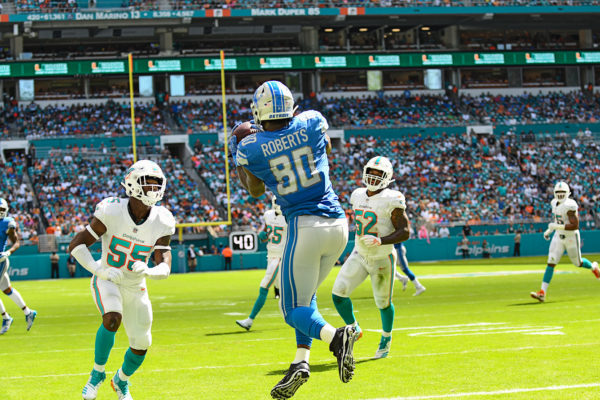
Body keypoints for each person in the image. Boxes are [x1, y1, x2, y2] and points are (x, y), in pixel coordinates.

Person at [232, 80, 358, 399]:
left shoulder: (251, 147)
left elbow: (256, 190)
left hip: (304, 226)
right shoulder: (313, 121)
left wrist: (237, 159)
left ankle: (336, 337)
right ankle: (300, 362)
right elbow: (325, 149)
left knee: (290, 310)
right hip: (338, 224)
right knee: (307, 296)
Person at [68, 160, 176, 400]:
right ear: (132, 182)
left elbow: (165, 263)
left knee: (142, 344)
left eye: (158, 183)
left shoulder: (163, 219)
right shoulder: (112, 210)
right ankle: (96, 375)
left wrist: (151, 270)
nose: (154, 188)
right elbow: (76, 245)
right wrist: (99, 270)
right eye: (149, 182)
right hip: (109, 278)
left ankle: (121, 381)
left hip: (135, 284)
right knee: (113, 317)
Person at [332, 156, 409, 359]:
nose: (373, 177)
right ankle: (354, 328)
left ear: (387, 177)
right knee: (338, 294)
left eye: (379, 174)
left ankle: (386, 337)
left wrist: (382, 241)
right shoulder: (357, 194)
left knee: (383, 303)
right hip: (359, 253)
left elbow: (405, 231)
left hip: (382, 257)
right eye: (371, 173)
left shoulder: (392, 198)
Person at [531, 182, 599, 302]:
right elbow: (558, 221)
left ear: (568, 193)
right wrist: (549, 230)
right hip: (558, 236)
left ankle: (594, 267)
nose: (560, 195)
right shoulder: (554, 203)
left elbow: (575, 225)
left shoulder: (570, 205)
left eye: (562, 193)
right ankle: (542, 292)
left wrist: (555, 227)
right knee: (551, 262)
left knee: (578, 262)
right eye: (558, 193)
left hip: (571, 237)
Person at [236, 196, 286, 331]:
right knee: (284, 292)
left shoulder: (288, 217)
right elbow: (266, 234)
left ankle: (250, 320)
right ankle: (295, 319)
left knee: (264, 287)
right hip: (271, 256)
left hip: (280, 257)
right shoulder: (269, 215)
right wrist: (263, 235)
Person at [0, 198, 37, 335]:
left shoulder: (7, 223)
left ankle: (6, 318)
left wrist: (8, 252)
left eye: (1, 210)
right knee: (6, 289)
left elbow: (16, 242)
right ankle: (28, 312)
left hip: (1, 260)